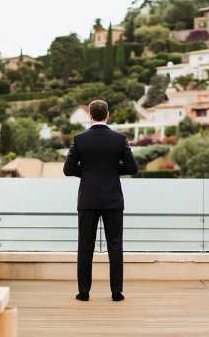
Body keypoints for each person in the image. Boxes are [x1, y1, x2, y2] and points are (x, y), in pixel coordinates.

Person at [63, 99, 138, 302]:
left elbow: (68, 169)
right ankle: (116, 293)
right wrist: (113, 170)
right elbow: (133, 168)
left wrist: (87, 173)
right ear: (107, 115)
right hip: (113, 199)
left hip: (87, 200)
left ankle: (84, 292)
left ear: (90, 115)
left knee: (85, 247)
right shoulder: (119, 139)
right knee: (115, 246)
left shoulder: (79, 139)